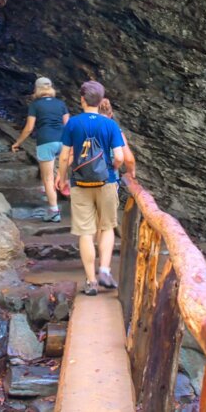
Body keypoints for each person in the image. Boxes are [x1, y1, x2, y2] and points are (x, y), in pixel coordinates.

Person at [55, 81, 125, 296]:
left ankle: (91, 281)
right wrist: (112, 169)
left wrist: (61, 177)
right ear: (101, 100)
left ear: (82, 99)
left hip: (80, 183)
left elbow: (66, 155)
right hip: (107, 182)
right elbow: (120, 157)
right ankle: (104, 269)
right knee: (106, 227)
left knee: (85, 232)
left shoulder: (73, 124)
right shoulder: (110, 125)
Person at [11, 77, 69, 222]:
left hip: (46, 142)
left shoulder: (35, 105)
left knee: (48, 178)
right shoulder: (61, 104)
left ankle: (54, 211)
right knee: (59, 175)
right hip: (63, 142)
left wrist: (17, 143)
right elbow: (68, 125)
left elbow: (29, 128)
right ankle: (50, 193)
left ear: (37, 89)